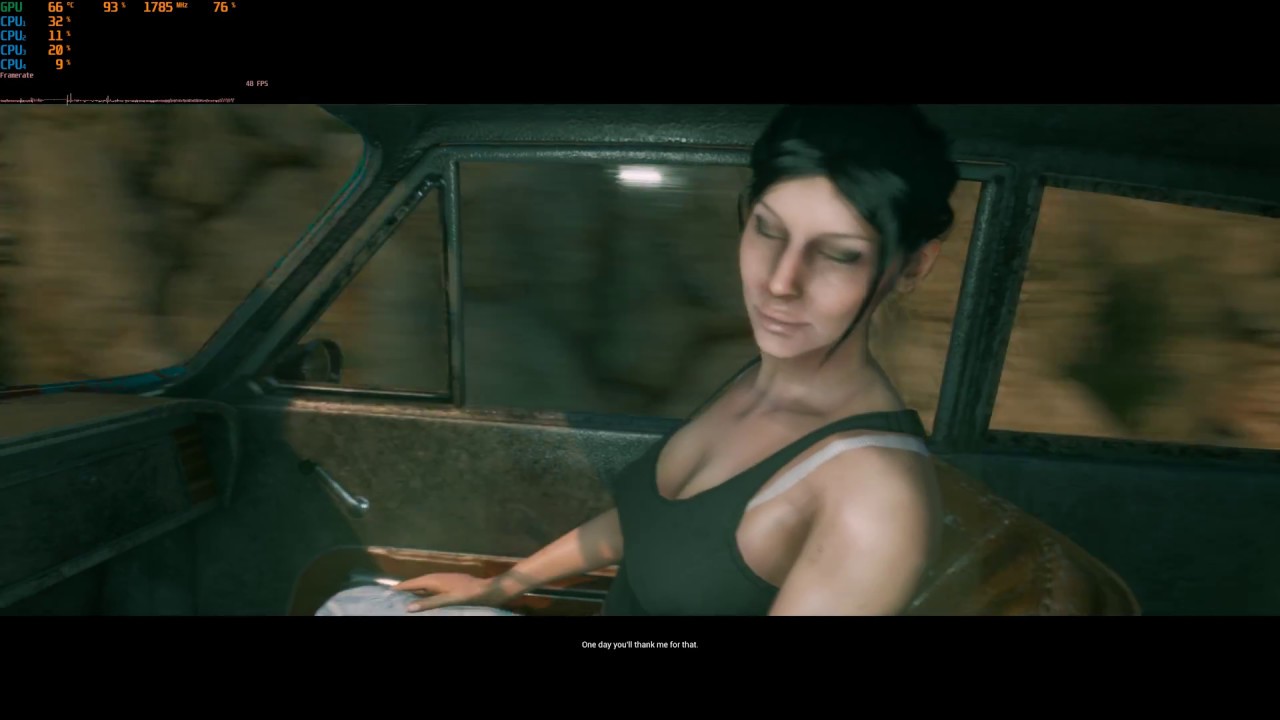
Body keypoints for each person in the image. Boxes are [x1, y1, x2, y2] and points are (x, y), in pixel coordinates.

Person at [316, 104, 960, 616]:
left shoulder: (876, 502)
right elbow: (651, 523)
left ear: (913, 266)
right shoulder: (761, 379)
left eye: (839, 253)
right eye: (768, 229)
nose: (780, 283)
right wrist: (503, 585)